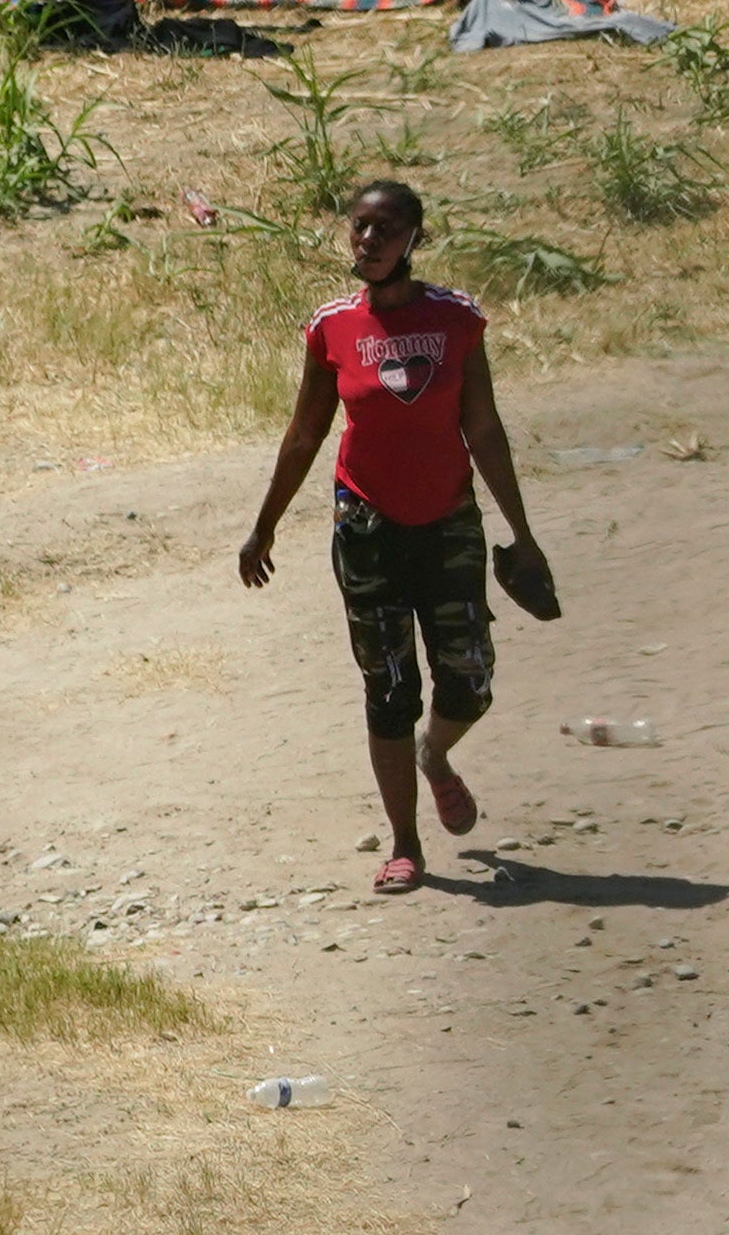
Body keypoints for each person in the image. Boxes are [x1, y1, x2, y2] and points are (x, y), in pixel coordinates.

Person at [238, 178, 561, 896]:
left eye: (386, 229)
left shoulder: (456, 320)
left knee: (469, 677)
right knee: (387, 688)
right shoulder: (332, 326)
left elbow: (482, 429)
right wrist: (264, 526)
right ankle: (405, 842)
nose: (369, 241)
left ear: (415, 237)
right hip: (368, 527)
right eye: (359, 227)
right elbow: (305, 433)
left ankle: (435, 756)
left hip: (449, 523)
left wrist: (523, 534)